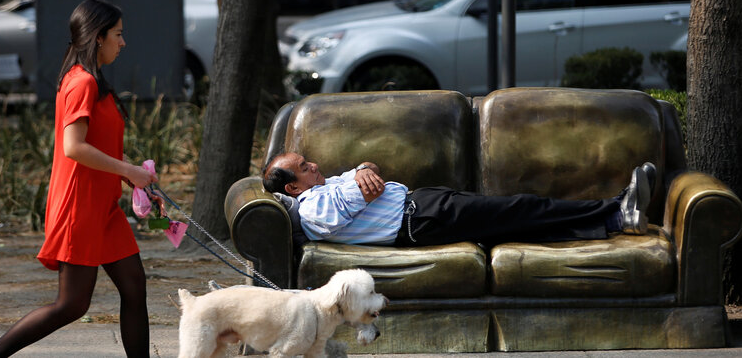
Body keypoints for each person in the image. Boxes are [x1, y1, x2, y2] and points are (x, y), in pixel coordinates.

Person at [0, 0, 156, 358]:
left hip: (103, 208)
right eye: (118, 34)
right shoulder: (81, 82)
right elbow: (74, 147)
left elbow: (98, 146)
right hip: (79, 208)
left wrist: (134, 176)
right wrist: (128, 171)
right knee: (71, 305)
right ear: (98, 37)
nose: (123, 42)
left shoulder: (92, 80)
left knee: (134, 287)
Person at [262, 152, 655, 248]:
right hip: (418, 221)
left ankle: (615, 222)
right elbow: (368, 186)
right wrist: (363, 175)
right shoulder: (313, 209)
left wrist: (364, 167)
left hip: (422, 204)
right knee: (520, 208)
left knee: (516, 219)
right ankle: (617, 209)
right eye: (304, 166)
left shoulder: (323, 189)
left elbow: (366, 173)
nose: (313, 163)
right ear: (293, 188)